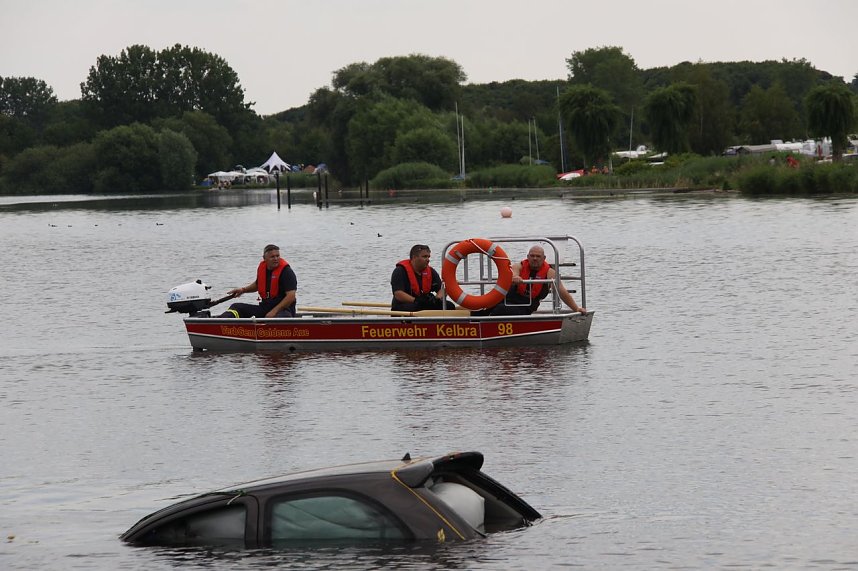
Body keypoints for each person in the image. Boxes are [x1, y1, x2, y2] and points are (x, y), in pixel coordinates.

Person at [490, 245, 586, 315]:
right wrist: (515, 277)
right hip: (510, 299)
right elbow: (513, 274)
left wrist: (576, 308)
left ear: (544, 258)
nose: (535, 258)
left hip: (526, 306)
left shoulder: (550, 272)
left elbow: (562, 292)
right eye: (532, 256)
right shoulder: (519, 266)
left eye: (538, 256)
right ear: (528, 257)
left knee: (501, 309)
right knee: (487, 306)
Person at [219, 244, 297, 318]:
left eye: (277, 256)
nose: (276, 259)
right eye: (272, 257)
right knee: (236, 307)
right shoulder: (263, 268)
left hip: (284, 310)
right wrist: (243, 290)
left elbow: (291, 296)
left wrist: (274, 312)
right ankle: (218, 323)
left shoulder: (286, 272)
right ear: (264, 258)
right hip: (265, 307)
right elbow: (258, 284)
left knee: (278, 318)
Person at [390, 244, 444, 312]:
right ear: (414, 257)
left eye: (428, 257)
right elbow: (398, 294)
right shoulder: (400, 271)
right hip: (404, 305)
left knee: (449, 306)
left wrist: (437, 299)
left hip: (424, 303)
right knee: (417, 307)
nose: (428, 260)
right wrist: (416, 300)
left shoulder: (431, 271)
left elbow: (441, 289)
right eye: (424, 257)